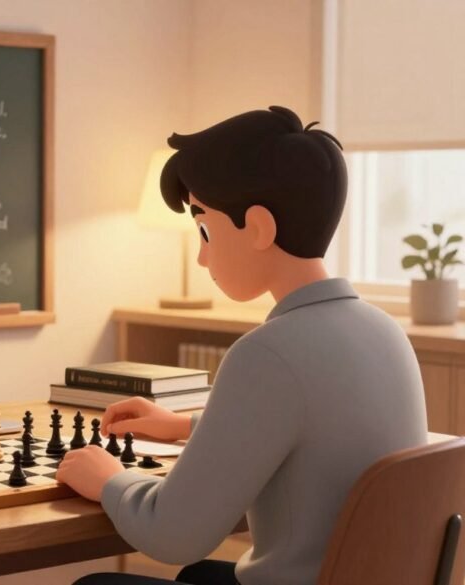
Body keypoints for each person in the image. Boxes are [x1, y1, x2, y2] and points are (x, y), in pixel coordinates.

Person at [56, 106, 428, 585]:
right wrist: (185, 425)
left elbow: (172, 535)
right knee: (202, 575)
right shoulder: (384, 331)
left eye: (206, 229)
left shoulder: (268, 353)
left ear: (258, 228)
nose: (202, 254)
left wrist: (108, 479)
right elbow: (313, 428)